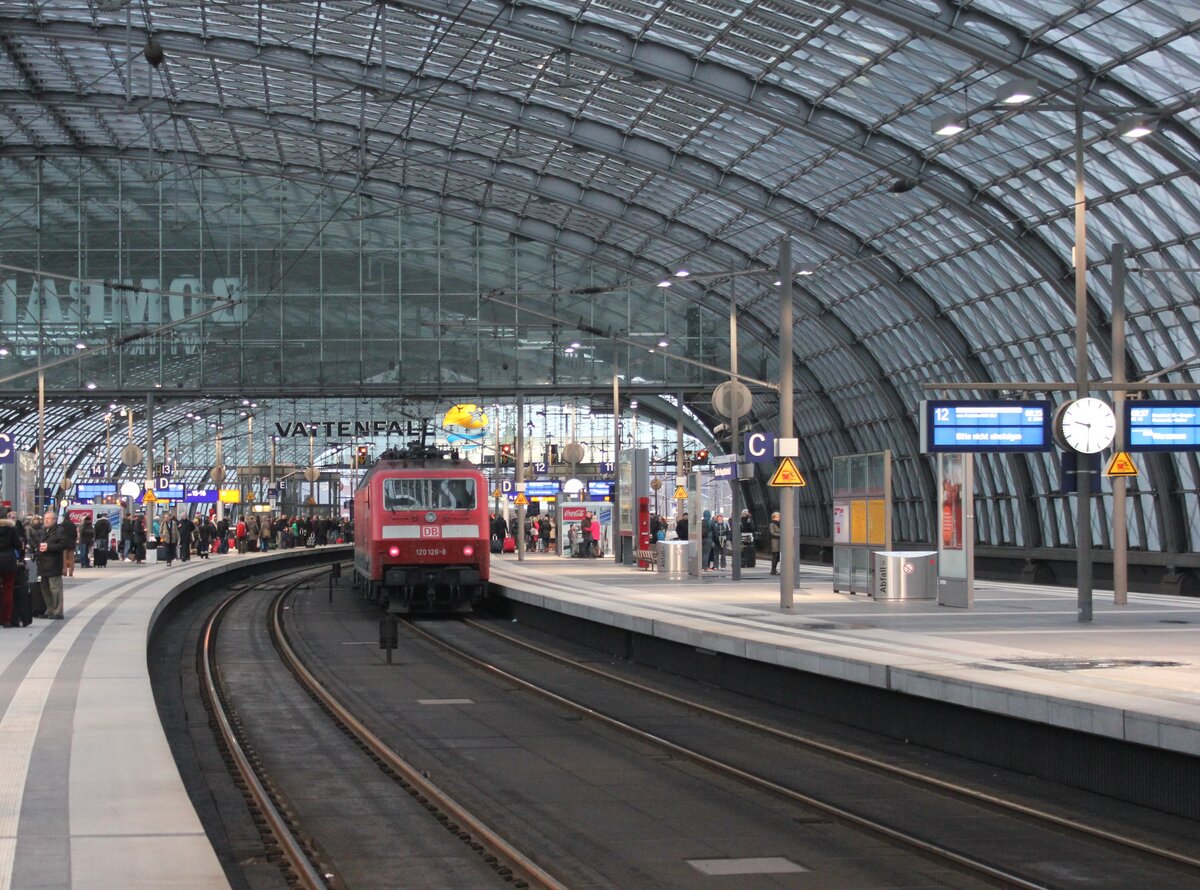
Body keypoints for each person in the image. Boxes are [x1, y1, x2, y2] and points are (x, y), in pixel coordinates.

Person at [37, 511, 70, 619]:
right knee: (45, 588)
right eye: (45, 518)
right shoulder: (43, 531)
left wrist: (49, 547)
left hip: (53, 562)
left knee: (55, 588)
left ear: (54, 520)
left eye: (49, 518)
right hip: (43, 563)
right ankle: (50, 609)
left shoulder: (59, 531)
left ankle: (58, 611)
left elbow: (65, 544)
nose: (46, 520)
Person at [0, 510, 21, 627]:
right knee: (8, 591)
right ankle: (7, 619)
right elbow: (18, 545)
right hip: (9, 561)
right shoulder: (11, 529)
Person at [60, 512, 78, 577]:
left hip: (64, 544)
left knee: (64, 558)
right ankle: (71, 572)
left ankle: (64, 571)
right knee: (71, 559)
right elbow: (75, 535)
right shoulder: (73, 525)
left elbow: (60, 535)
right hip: (71, 544)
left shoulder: (61, 525)